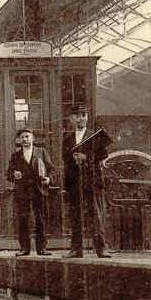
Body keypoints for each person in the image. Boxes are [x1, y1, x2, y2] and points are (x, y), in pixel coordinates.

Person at [62, 104, 112, 258]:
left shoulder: (95, 136)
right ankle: (76, 250)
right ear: (72, 118)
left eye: (84, 115)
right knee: (75, 215)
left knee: (95, 214)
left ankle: (101, 249)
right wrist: (73, 158)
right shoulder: (67, 138)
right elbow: (65, 158)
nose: (81, 118)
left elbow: (103, 155)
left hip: (92, 181)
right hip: (75, 182)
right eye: (78, 115)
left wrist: (86, 158)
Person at [6, 128, 56, 256]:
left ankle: (42, 248)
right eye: (22, 137)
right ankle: (24, 248)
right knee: (23, 219)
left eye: (27, 136)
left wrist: (49, 179)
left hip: (39, 190)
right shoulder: (16, 156)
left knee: (40, 218)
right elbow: (8, 174)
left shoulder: (42, 152)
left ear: (32, 138)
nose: (25, 139)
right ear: (19, 140)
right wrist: (14, 175)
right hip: (22, 192)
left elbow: (52, 170)